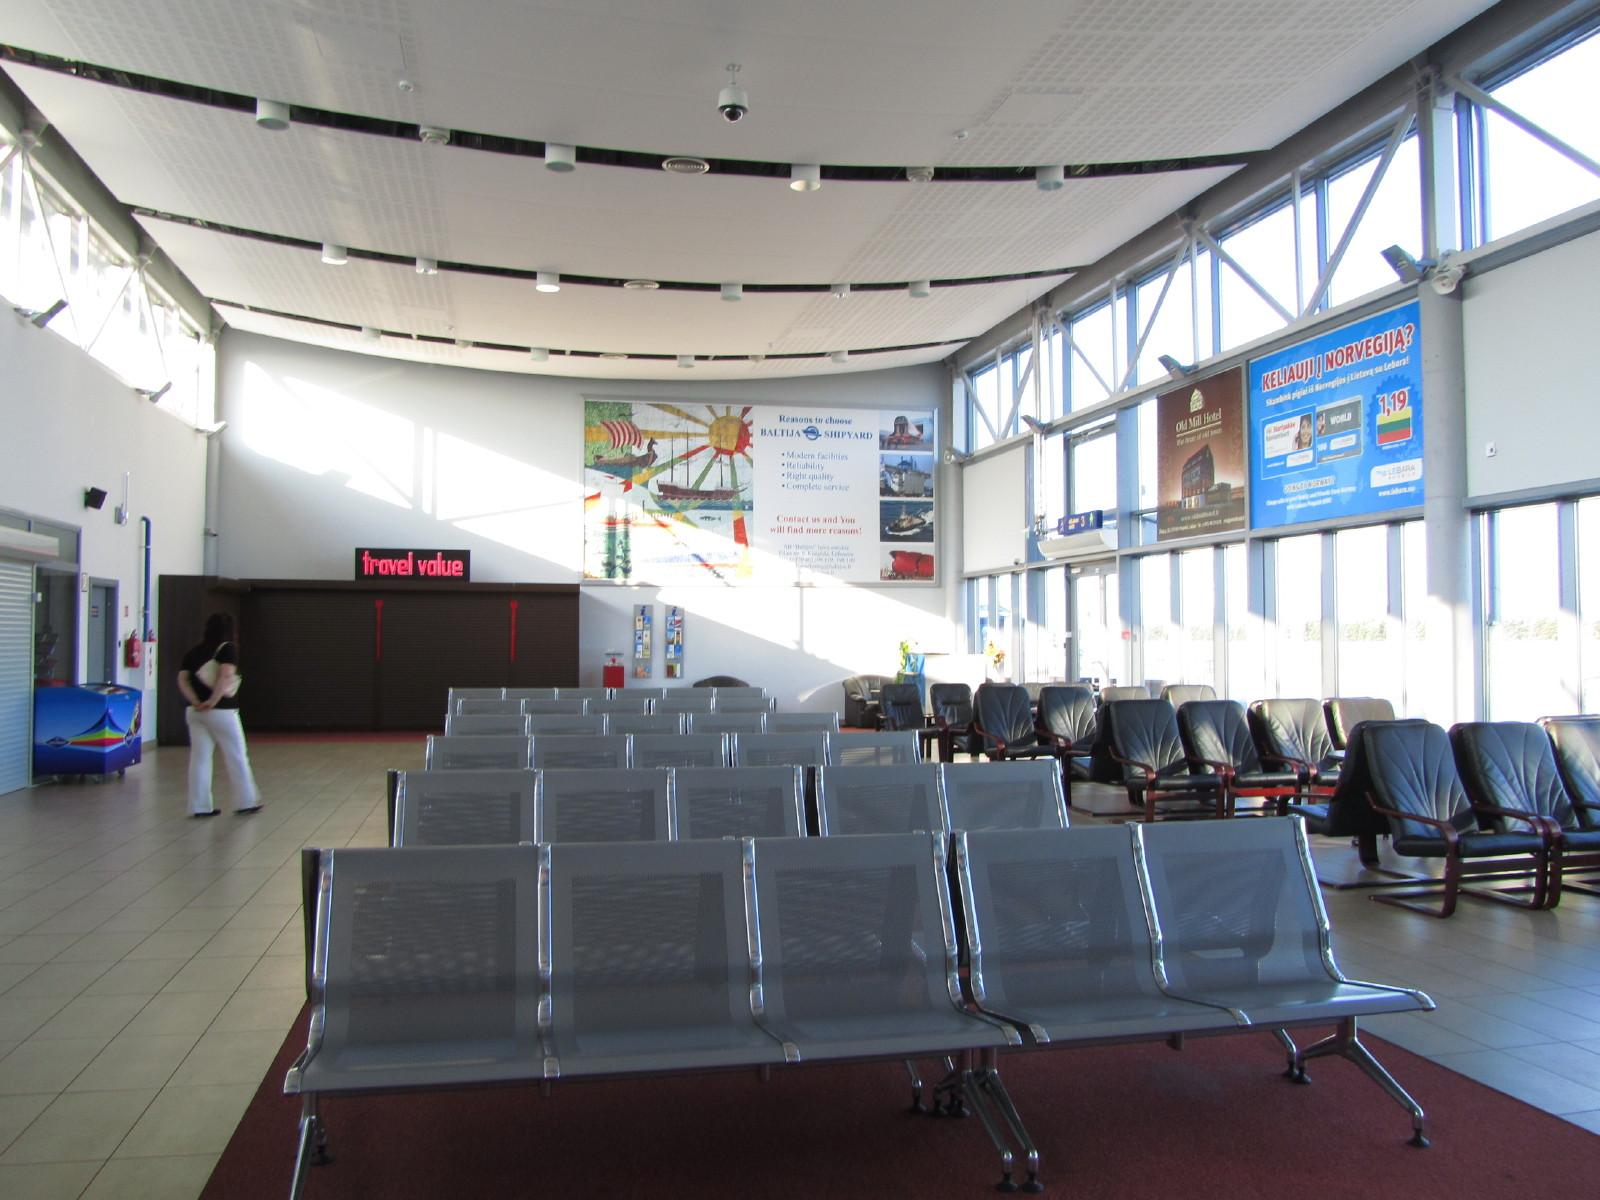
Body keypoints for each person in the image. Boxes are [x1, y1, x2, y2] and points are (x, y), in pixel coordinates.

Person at [176, 612, 261, 817]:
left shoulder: (194, 652)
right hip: (222, 712)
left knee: (200, 758)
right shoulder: (227, 649)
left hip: (195, 713)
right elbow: (226, 675)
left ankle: (199, 806)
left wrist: (196, 701)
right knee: (236, 755)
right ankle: (246, 801)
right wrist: (212, 701)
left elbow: (182, 679)